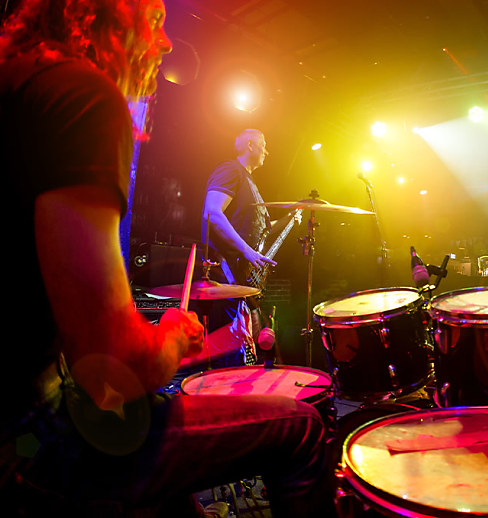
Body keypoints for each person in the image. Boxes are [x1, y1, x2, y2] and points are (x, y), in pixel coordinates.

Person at [0, 1, 333, 516]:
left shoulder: (18, 83)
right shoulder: (82, 95)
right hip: (35, 439)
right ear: (108, 18)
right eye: (152, 22)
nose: (165, 43)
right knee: (301, 427)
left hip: (21, 427)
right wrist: (174, 336)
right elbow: (115, 367)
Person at [200, 129, 282, 364]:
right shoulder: (230, 170)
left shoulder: (249, 181)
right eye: (263, 144)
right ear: (250, 145)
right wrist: (247, 250)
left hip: (239, 276)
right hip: (225, 272)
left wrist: (291, 217)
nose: (267, 151)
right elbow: (212, 211)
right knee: (229, 353)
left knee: (245, 350)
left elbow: (257, 229)